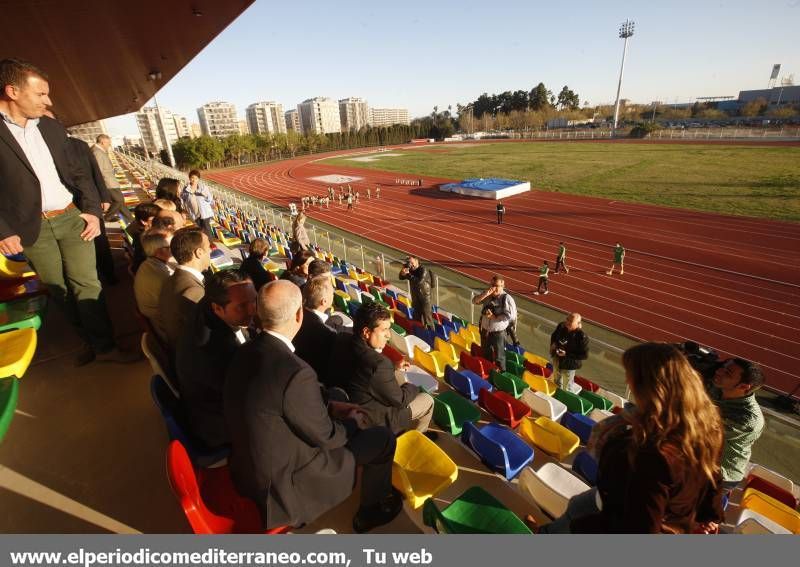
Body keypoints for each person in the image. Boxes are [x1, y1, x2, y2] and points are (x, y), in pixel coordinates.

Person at [224, 280, 403, 532]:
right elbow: (328, 437)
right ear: (299, 315)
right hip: (284, 488)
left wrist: (330, 407)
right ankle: (371, 511)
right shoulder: (295, 372)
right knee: (382, 439)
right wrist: (351, 422)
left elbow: (282, 404)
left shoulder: (245, 350)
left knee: (338, 399)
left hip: (250, 467)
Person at [0, 58, 134, 366]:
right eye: (41, 94)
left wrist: (91, 211)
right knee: (60, 291)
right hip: (31, 229)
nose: (48, 101)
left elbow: (78, 173)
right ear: (13, 92)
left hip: (72, 218)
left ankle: (106, 348)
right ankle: (89, 341)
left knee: (86, 284)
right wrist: (3, 230)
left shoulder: (50, 126)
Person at [539, 343, 724, 533]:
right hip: (663, 510)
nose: (627, 381)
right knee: (577, 504)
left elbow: (638, 528)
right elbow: (713, 473)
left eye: (630, 374)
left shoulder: (648, 450)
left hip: (624, 514)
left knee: (577, 513)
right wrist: (712, 515)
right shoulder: (708, 425)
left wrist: (580, 527)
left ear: (648, 386)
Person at [176, 271, 256, 451]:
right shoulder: (214, 351)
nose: (253, 310)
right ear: (217, 308)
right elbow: (247, 396)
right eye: (242, 306)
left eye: (254, 300)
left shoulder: (209, 304)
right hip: (218, 425)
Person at [335, 302, 434, 434]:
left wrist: (394, 366)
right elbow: (400, 400)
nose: (388, 335)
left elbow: (369, 371)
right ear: (366, 332)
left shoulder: (342, 338)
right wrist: (414, 383)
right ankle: (415, 437)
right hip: (376, 419)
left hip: (355, 400)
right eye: (384, 330)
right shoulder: (379, 364)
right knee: (428, 400)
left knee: (398, 374)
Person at [705, 358, 765, 492]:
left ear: (743, 386)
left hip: (721, 474)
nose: (719, 372)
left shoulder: (748, 419)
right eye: (722, 367)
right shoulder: (718, 389)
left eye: (727, 373)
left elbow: (701, 430)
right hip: (704, 459)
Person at [64, 134, 116, 284]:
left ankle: (108, 275)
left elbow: (95, 174)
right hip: (66, 207)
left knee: (100, 241)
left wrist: (104, 197)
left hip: (89, 202)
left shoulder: (79, 145)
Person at [155, 227, 211, 351]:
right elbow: (205, 338)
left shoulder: (170, 279)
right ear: (199, 252)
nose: (211, 251)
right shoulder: (194, 291)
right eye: (209, 247)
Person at [293, 275, 340, 381]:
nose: (333, 295)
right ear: (324, 301)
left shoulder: (295, 316)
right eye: (332, 293)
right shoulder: (327, 334)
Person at [472, 275, 517, 371]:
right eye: (492, 285)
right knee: (486, 353)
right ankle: (489, 372)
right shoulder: (487, 294)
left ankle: (501, 376)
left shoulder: (507, 298)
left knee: (499, 357)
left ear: (502, 285)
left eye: (496, 285)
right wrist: (485, 294)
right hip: (485, 331)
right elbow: (474, 301)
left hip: (498, 333)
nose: (493, 288)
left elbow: (510, 317)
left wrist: (494, 317)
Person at [133, 230, 174, 324]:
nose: (171, 249)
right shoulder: (160, 274)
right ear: (158, 251)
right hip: (162, 323)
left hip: (152, 315)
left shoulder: (147, 264)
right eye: (168, 247)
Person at [92, 134, 132, 222]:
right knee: (119, 200)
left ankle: (131, 220)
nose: (109, 145)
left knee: (120, 203)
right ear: (103, 142)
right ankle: (107, 216)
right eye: (108, 143)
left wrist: (113, 170)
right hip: (108, 182)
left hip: (110, 180)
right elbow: (99, 171)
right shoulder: (97, 152)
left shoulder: (99, 151)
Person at [549, 313, 589, 392]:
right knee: (556, 380)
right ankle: (557, 394)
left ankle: (566, 400)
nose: (567, 322)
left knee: (567, 387)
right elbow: (554, 335)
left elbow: (584, 355)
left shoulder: (582, 337)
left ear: (578, 324)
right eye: (567, 319)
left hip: (569, 365)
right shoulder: (561, 326)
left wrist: (566, 354)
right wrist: (553, 344)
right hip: (557, 359)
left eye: (571, 321)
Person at [398, 256, 433, 329]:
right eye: (409, 263)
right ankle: (418, 331)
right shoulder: (410, 269)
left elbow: (419, 282)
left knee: (427, 318)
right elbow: (400, 277)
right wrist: (403, 271)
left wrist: (408, 274)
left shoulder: (423, 270)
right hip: (415, 296)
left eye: (412, 262)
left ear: (417, 261)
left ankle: (431, 334)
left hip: (425, 297)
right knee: (416, 316)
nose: (411, 264)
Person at [180, 169, 214, 241]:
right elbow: (183, 200)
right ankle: (203, 242)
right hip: (194, 213)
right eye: (192, 178)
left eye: (196, 178)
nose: (194, 180)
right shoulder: (186, 189)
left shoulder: (203, 187)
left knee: (207, 229)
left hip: (205, 213)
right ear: (189, 178)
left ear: (198, 179)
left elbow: (210, 199)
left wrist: (205, 195)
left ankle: (210, 243)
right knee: (200, 229)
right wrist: (184, 210)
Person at [127, 202, 161, 272]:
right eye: (155, 219)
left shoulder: (139, 233)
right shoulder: (146, 238)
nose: (160, 221)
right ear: (144, 222)